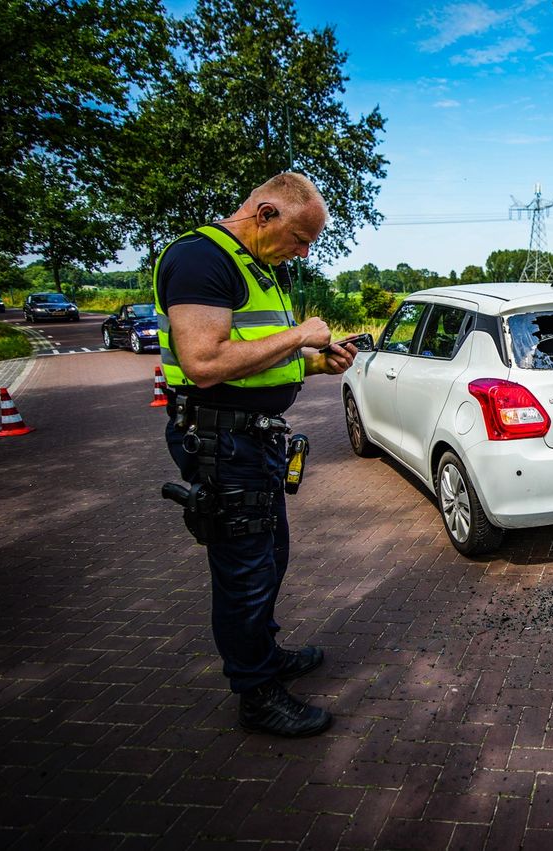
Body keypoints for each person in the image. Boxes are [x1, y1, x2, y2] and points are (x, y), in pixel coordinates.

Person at [155, 172, 357, 737]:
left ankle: (264, 655)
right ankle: (257, 693)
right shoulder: (201, 259)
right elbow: (204, 362)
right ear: (265, 213)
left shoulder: (259, 267)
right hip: (222, 441)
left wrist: (315, 363)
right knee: (244, 571)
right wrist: (299, 337)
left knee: (269, 557)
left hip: (254, 438)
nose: (303, 252)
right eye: (299, 238)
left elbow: (252, 357)